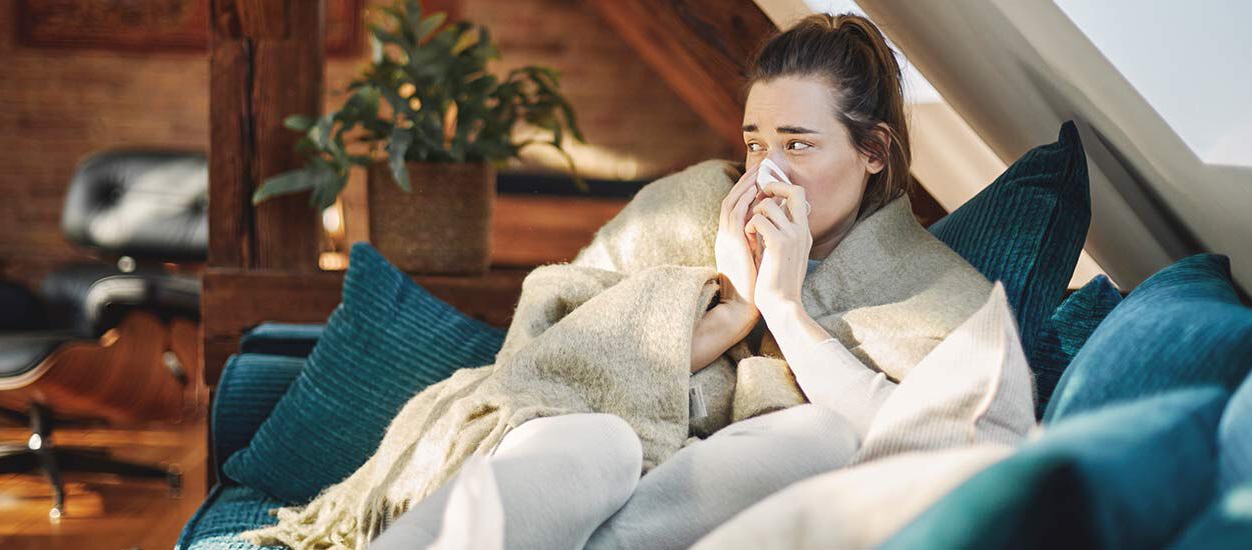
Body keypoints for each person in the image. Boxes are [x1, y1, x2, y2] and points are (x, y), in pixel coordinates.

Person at [368, 13, 945, 550]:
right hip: (558, 453)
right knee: (603, 442)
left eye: (797, 144)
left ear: (873, 151)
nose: (768, 172)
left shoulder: (921, 281)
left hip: (688, 503)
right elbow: (545, 368)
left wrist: (782, 308)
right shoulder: (685, 207)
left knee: (820, 437)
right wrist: (731, 311)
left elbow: (917, 448)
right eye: (755, 144)